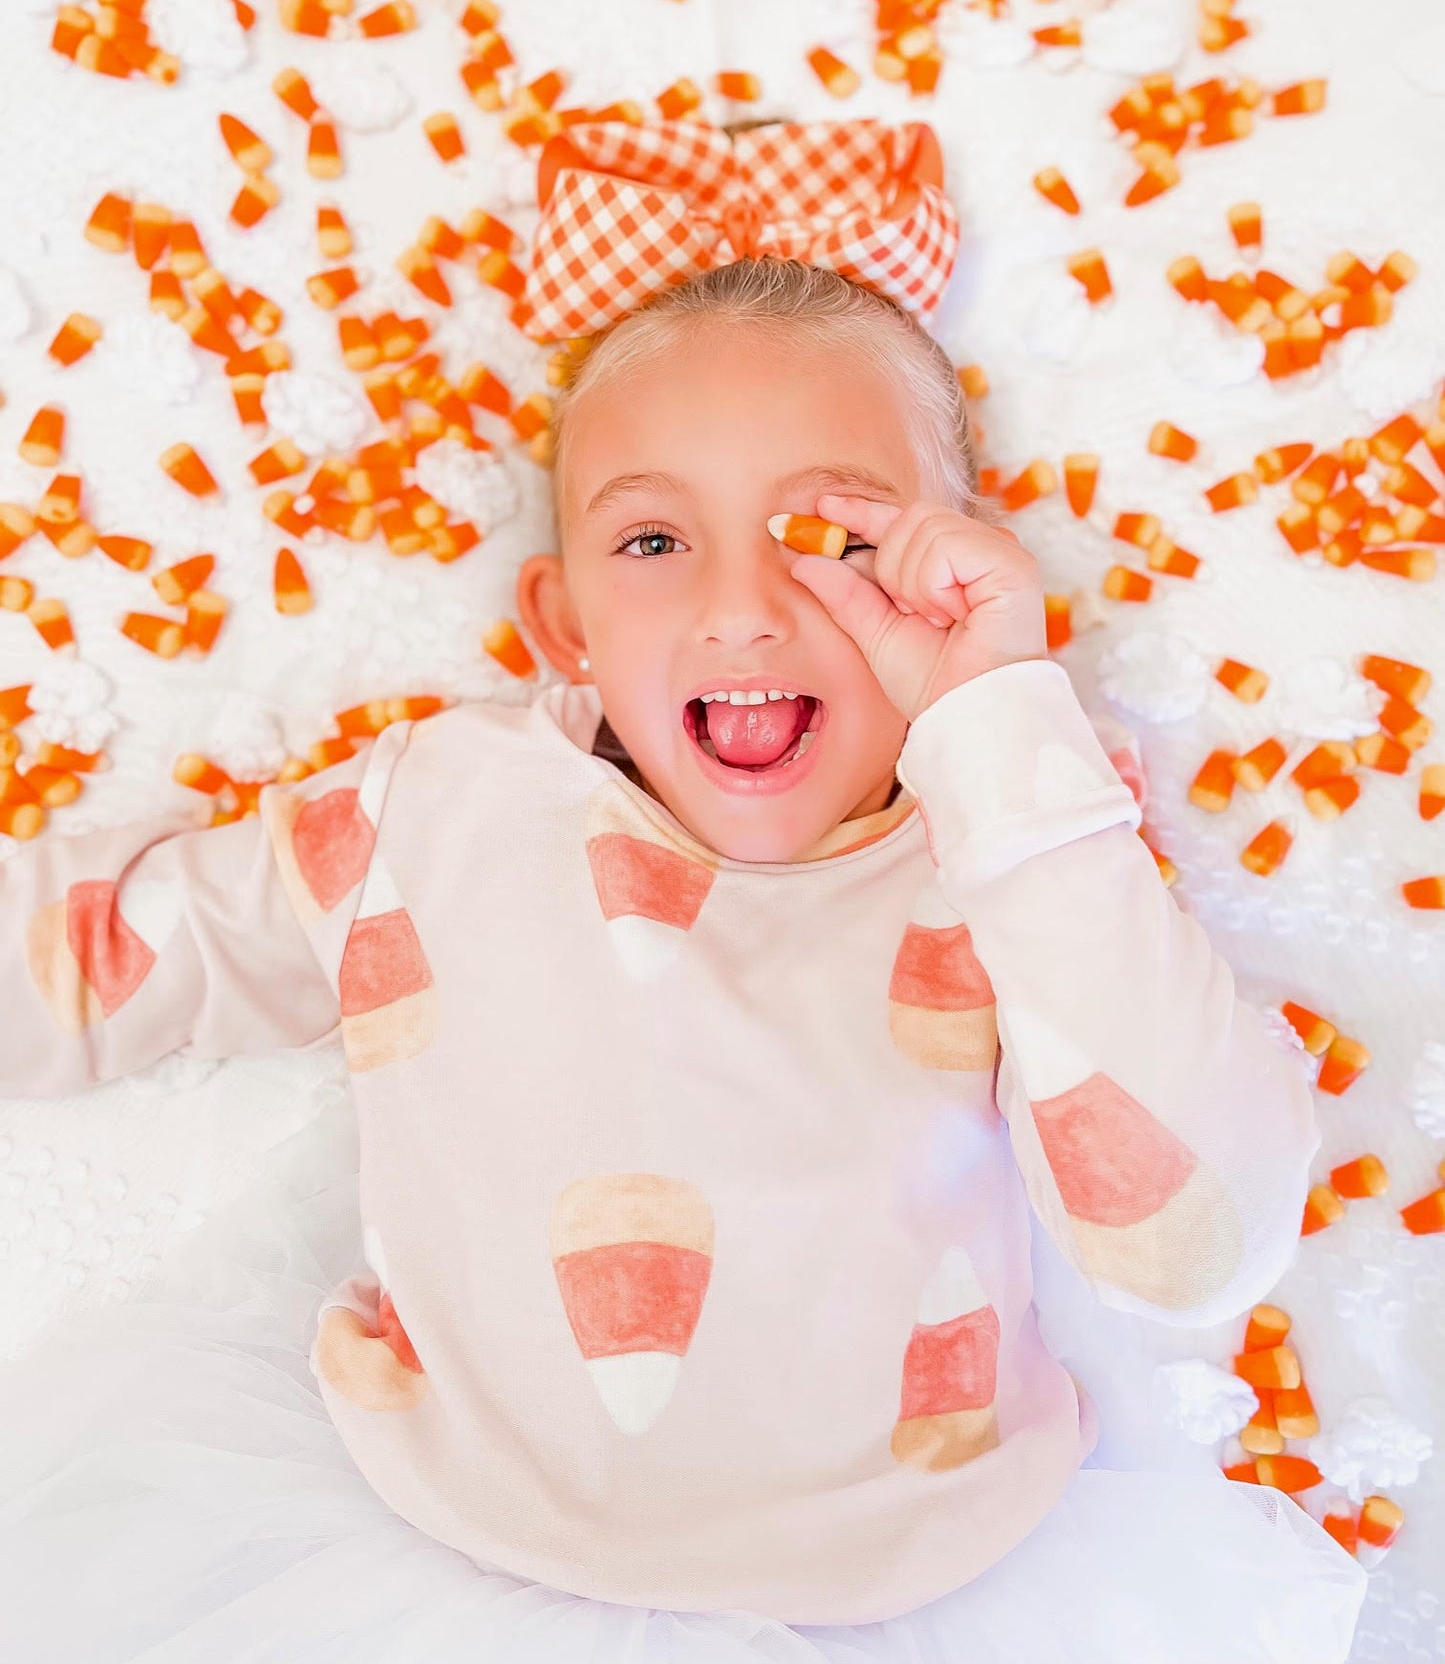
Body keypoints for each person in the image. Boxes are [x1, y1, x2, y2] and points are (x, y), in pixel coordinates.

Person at [0, 118, 1365, 1662]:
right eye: (652, 538)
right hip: (437, 1557)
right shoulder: (432, 808)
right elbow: (99, 959)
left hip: (923, 1588)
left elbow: (1192, 1243)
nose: (740, 604)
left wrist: (999, 723)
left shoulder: (1011, 840)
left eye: (830, 535)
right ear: (562, 621)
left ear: (951, 572)